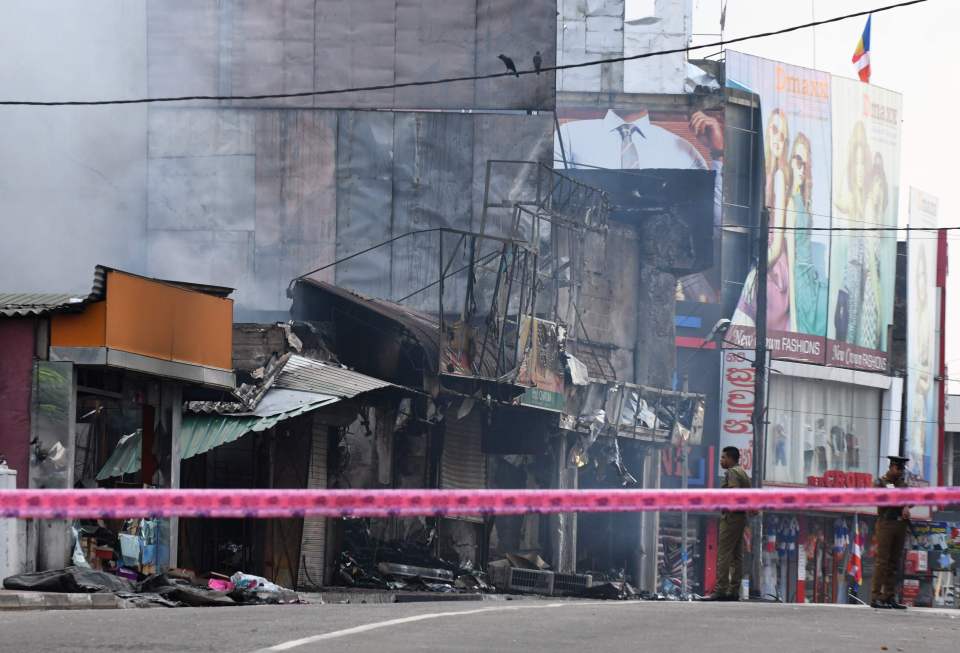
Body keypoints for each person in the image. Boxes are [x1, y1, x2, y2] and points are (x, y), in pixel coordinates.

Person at [785, 132, 827, 336]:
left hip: (811, 280)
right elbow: (791, 259)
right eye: (799, 161)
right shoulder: (791, 203)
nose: (802, 169)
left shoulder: (803, 202)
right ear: (791, 161)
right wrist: (792, 319)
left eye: (806, 164)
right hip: (800, 283)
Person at [703, 446, 752, 601]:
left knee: (723, 554)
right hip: (741, 517)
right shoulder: (743, 472)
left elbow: (733, 494)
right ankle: (733, 591)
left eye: (724, 457)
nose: (721, 460)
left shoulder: (732, 472)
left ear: (731, 459)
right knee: (736, 556)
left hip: (731, 517)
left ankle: (720, 590)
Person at [870, 455, 911, 609]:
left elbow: (912, 499)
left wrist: (907, 505)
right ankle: (875, 597)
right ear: (891, 467)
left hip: (900, 525)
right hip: (886, 523)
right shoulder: (880, 482)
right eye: (898, 468)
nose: (900, 471)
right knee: (882, 562)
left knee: (894, 563)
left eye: (902, 469)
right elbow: (878, 500)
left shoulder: (903, 485)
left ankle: (889, 596)